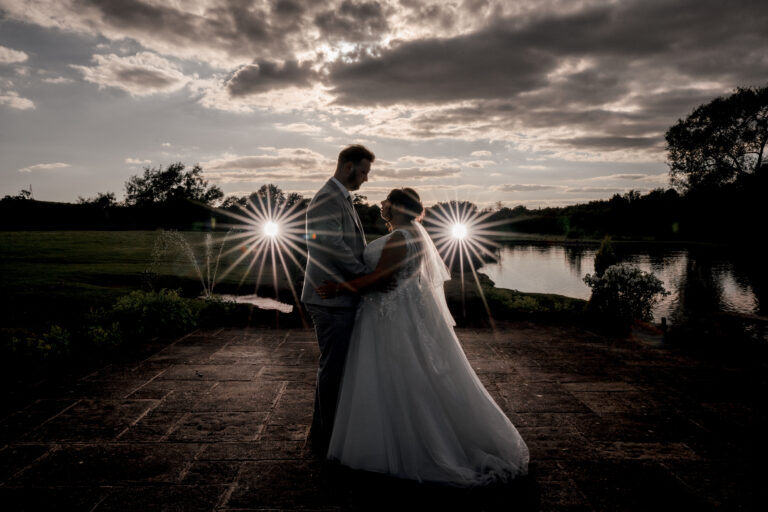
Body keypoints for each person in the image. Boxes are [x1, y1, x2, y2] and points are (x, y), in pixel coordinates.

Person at [316, 188, 529, 486]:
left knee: (395, 376)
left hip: (389, 315)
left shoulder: (403, 236)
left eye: (387, 200)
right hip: (393, 309)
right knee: (401, 375)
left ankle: (404, 446)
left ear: (400, 207)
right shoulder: (410, 233)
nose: (381, 203)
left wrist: (339, 287)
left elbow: (383, 277)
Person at [301, 144, 375, 454]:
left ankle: (330, 433)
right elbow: (330, 246)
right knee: (333, 368)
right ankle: (324, 438)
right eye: (363, 172)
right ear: (348, 167)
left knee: (338, 366)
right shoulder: (328, 199)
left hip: (336, 296)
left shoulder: (340, 198)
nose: (365, 179)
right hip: (329, 299)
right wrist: (363, 277)